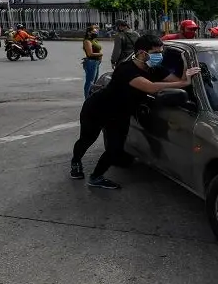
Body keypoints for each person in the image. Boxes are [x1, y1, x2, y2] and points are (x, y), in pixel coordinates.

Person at [70, 34, 200, 189]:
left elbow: (177, 80)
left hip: (120, 114)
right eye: (155, 53)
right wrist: (182, 82)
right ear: (141, 53)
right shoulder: (126, 69)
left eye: (161, 52)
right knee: (87, 139)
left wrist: (186, 66)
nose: (159, 56)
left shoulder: (155, 69)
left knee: (115, 148)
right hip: (97, 109)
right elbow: (150, 87)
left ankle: (96, 177)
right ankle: (76, 162)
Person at [81, 26, 104, 99]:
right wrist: (100, 54)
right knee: (90, 82)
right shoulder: (87, 41)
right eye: (94, 32)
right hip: (91, 62)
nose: (96, 33)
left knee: (95, 82)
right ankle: (87, 98)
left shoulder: (94, 40)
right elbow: (90, 54)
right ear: (89, 32)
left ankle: (92, 98)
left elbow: (98, 49)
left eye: (96, 32)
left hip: (96, 62)